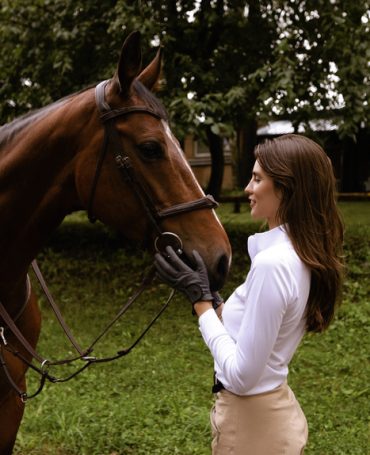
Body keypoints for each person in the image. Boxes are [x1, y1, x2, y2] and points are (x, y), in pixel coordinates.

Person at [154, 133, 344, 454]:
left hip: (252, 428)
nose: (247, 189)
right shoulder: (298, 253)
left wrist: (201, 306)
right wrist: (214, 301)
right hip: (266, 417)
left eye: (257, 179)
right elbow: (254, 329)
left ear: (285, 189)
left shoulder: (274, 264)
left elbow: (242, 376)